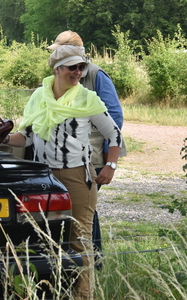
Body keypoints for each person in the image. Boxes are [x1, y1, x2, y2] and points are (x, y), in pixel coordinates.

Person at [4, 45, 122, 300]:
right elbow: (25, 138)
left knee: (79, 242)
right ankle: (48, 293)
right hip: (42, 178)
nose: (78, 72)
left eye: (81, 67)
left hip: (77, 177)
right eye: (73, 67)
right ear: (58, 70)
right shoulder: (39, 96)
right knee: (42, 240)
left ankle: (83, 296)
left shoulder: (87, 99)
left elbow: (114, 134)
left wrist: (110, 166)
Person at [47, 31, 125, 265]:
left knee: (86, 211)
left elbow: (115, 116)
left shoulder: (96, 74)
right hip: (64, 156)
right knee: (73, 208)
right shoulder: (61, 75)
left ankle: (93, 260)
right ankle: (72, 260)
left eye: (58, 50)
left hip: (92, 156)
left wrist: (107, 158)